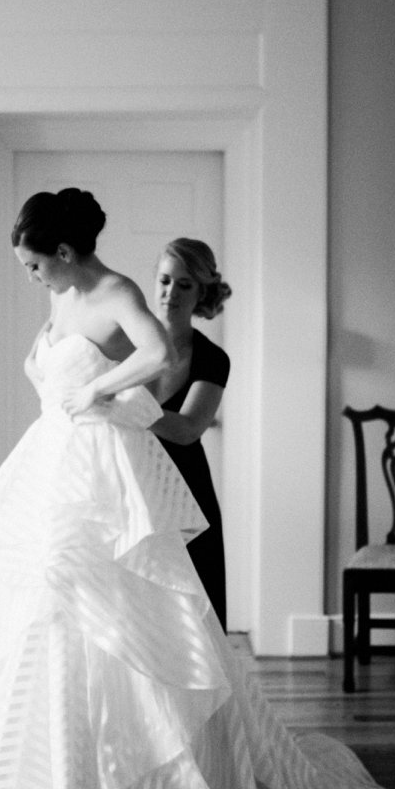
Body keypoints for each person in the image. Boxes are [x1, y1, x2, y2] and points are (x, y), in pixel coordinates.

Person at [0, 187, 395, 789]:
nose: (32, 277)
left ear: (66, 253)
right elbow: (55, 359)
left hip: (102, 462)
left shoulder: (116, 291)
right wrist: (63, 386)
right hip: (53, 461)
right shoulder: (62, 294)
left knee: (116, 610)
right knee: (37, 605)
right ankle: (27, 779)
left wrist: (100, 394)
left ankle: (146, 786)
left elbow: (155, 353)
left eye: (36, 265)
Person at [145, 238, 232, 629]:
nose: (170, 293)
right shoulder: (125, 344)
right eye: (165, 281)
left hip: (186, 486)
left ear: (200, 292)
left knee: (195, 610)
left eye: (184, 285)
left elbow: (187, 429)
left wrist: (126, 408)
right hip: (131, 477)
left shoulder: (213, 358)